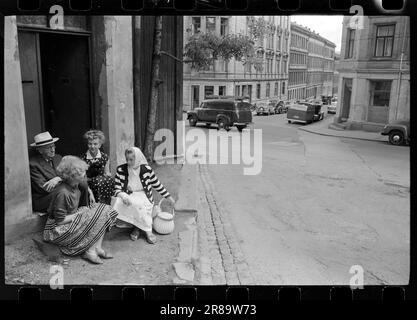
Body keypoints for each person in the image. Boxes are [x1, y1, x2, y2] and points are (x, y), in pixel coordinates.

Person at [43, 156, 118, 264]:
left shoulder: (75, 185)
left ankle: (97, 248)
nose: (84, 174)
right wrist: (82, 215)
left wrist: (89, 195)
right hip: (57, 230)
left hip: (70, 219)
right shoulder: (62, 193)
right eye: (81, 172)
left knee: (106, 210)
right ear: (72, 176)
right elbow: (60, 220)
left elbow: (84, 185)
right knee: (97, 213)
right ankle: (90, 251)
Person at [112, 147, 175, 244]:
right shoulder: (121, 169)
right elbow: (117, 188)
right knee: (120, 202)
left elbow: (157, 185)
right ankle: (138, 228)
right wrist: (123, 196)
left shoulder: (147, 170)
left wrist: (168, 197)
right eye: (127, 159)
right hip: (128, 195)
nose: (128, 162)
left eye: (131, 159)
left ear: (138, 158)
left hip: (143, 194)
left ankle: (146, 230)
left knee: (141, 205)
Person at [29, 131, 93, 212]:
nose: (53, 150)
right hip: (44, 198)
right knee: (65, 191)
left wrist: (58, 179)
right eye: (49, 148)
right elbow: (44, 188)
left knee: (82, 184)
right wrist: (66, 182)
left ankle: (83, 211)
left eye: (53, 146)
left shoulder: (58, 158)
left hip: (62, 189)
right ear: (40, 150)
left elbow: (74, 174)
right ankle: (71, 216)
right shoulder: (33, 164)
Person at [80, 130, 115, 205]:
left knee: (109, 180)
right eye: (90, 144)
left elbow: (107, 172)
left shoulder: (104, 157)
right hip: (89, 185)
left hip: (103, 186)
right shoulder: (83, 158)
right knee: (97, 182)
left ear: (100, 145)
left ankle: (107, 205)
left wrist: (108, 176)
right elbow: (82, 178)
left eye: (95, 144)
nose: (92, 146)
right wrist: (89, 191)